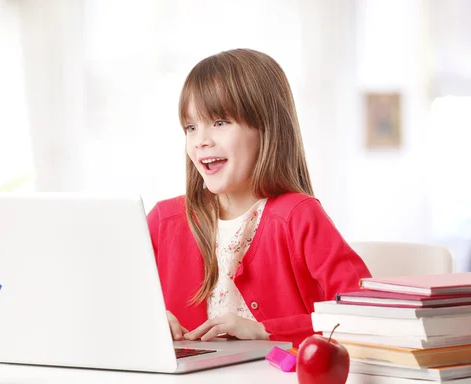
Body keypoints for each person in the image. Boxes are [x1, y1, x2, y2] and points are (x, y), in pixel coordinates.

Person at [146, 48, 371, 347]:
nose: (201, 140)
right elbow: (109, 300)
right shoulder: (164, 220)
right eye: (191, 127)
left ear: (266, 128)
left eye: (220, 122)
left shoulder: (298, 216)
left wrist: (265, 330)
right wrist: (152, 319)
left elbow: (365, 312)